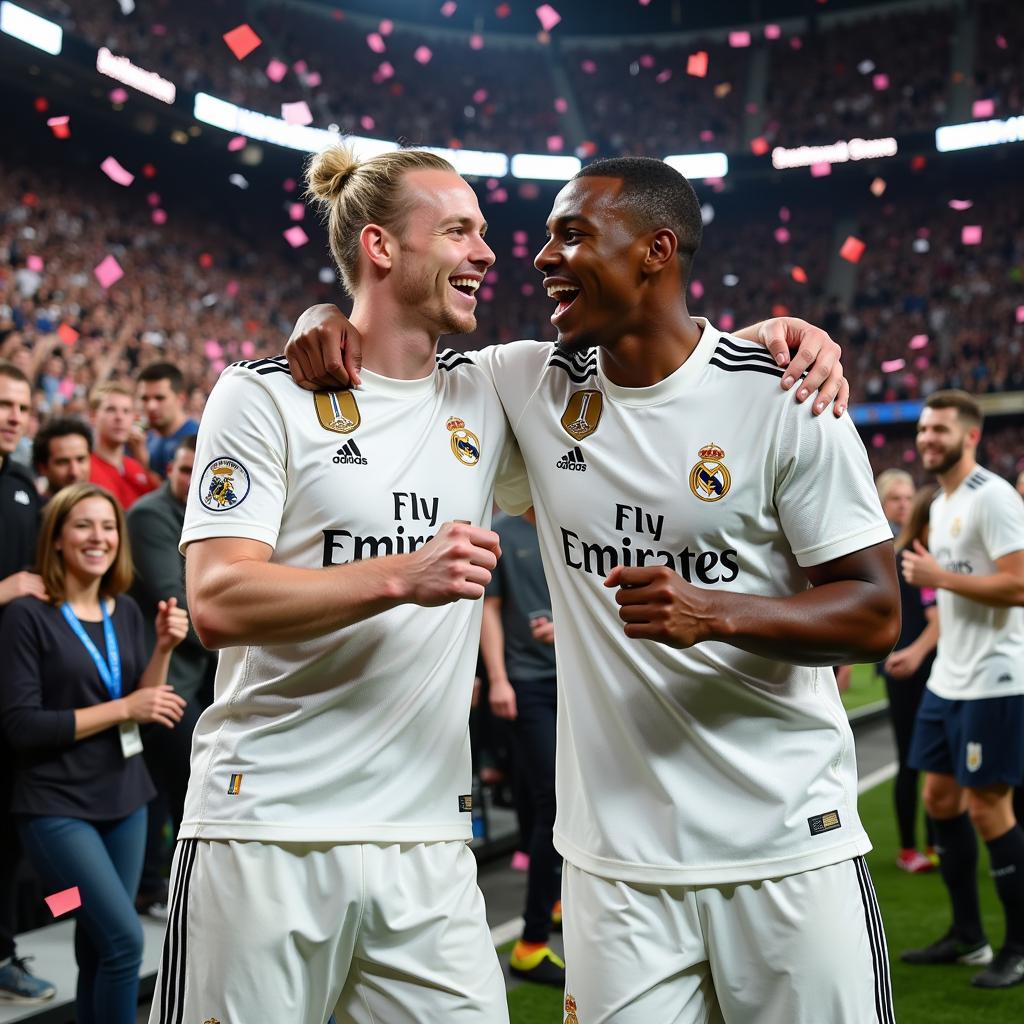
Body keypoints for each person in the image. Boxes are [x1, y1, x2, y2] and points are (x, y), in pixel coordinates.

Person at [158, 147, 843, 1024]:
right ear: (378, 246)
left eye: (484, 232)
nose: (491, 253)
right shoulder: (262, 396)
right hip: (267, 828)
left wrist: (770, 338)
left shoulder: (492, 394)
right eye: (459, 231)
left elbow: (661, 379)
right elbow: (217, 603)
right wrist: (404, 574)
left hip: (431, 841)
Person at [0, 482, 188, 1023]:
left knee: (99, 946)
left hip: (126, 802)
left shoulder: (125, 611)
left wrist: (163, 651)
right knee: (125, 941)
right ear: (56, 538)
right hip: (57, 808)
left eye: (108, 526)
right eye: (83, 525)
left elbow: (144, 706)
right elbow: (23, 725)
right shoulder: (27, 617)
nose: (98, 537)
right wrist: (126, 706)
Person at [901, 390, 1024, 989]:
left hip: (996, 678)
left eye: (940, 431)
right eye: (924, 430)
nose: (928, 439)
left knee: (987, 807)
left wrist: (936, 576)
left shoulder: (993, 498)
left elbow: (1019, 586)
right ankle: (968, 936)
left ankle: (1019, 948)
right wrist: (923, 648)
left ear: (970, 436)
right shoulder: (943, 501)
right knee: (940, 803)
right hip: (949, 676)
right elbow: (954, 599)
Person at [126, 434, 212, 918]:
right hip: (161, 676)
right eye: (183, 469)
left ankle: (165, 888)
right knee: (184, 783)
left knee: (171, 787)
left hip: (200, 673)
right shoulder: (148, 515)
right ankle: (172, 890)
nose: (191, 478)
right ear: (169, 471)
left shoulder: (212, 512)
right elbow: (176, 604)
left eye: (199, 470)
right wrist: (239, 628)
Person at [480, 508, 562, 985]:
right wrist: (498, 680)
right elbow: (489, 609)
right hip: (526, 683)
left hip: (575, 678)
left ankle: (553, 901)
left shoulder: (572, 520)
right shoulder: (504, 532)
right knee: (551, 802)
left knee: (555, 802)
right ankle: (530, 945)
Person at [0, 361, 56, 1005]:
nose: (14, 415)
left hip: (18, 689)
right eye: (3, 403)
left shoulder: (21, 483)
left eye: (22, 406)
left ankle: (5, 952)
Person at [879, 476, 939, 873]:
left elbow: (936, 617)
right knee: (912, 760)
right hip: (902, 669)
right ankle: (910, 848)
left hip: (932, 666)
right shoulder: (881, 556)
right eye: (894, 499)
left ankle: (936, 844)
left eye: (907, 498)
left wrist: (917, 652)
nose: (902, 505)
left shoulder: (918, 553)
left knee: (934, 760)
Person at [89, 382, 157, 510]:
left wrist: (145, 465)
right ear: (93, 416)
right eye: (111, 409)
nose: (119, 417)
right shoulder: (83, 468)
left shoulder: (137, 466)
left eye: (126, 411)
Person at [137, 363, 199, 479]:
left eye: (159, 398)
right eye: (145, 399)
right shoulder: (146, 439)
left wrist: (144, 463)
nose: (151, 406)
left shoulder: (198, 439)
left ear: (181, 398)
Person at [32, 417, 93, 503]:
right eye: (63, 462)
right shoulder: (30, 513)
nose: (74, 472)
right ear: (43, 468)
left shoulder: (104, 511)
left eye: (80, 460)